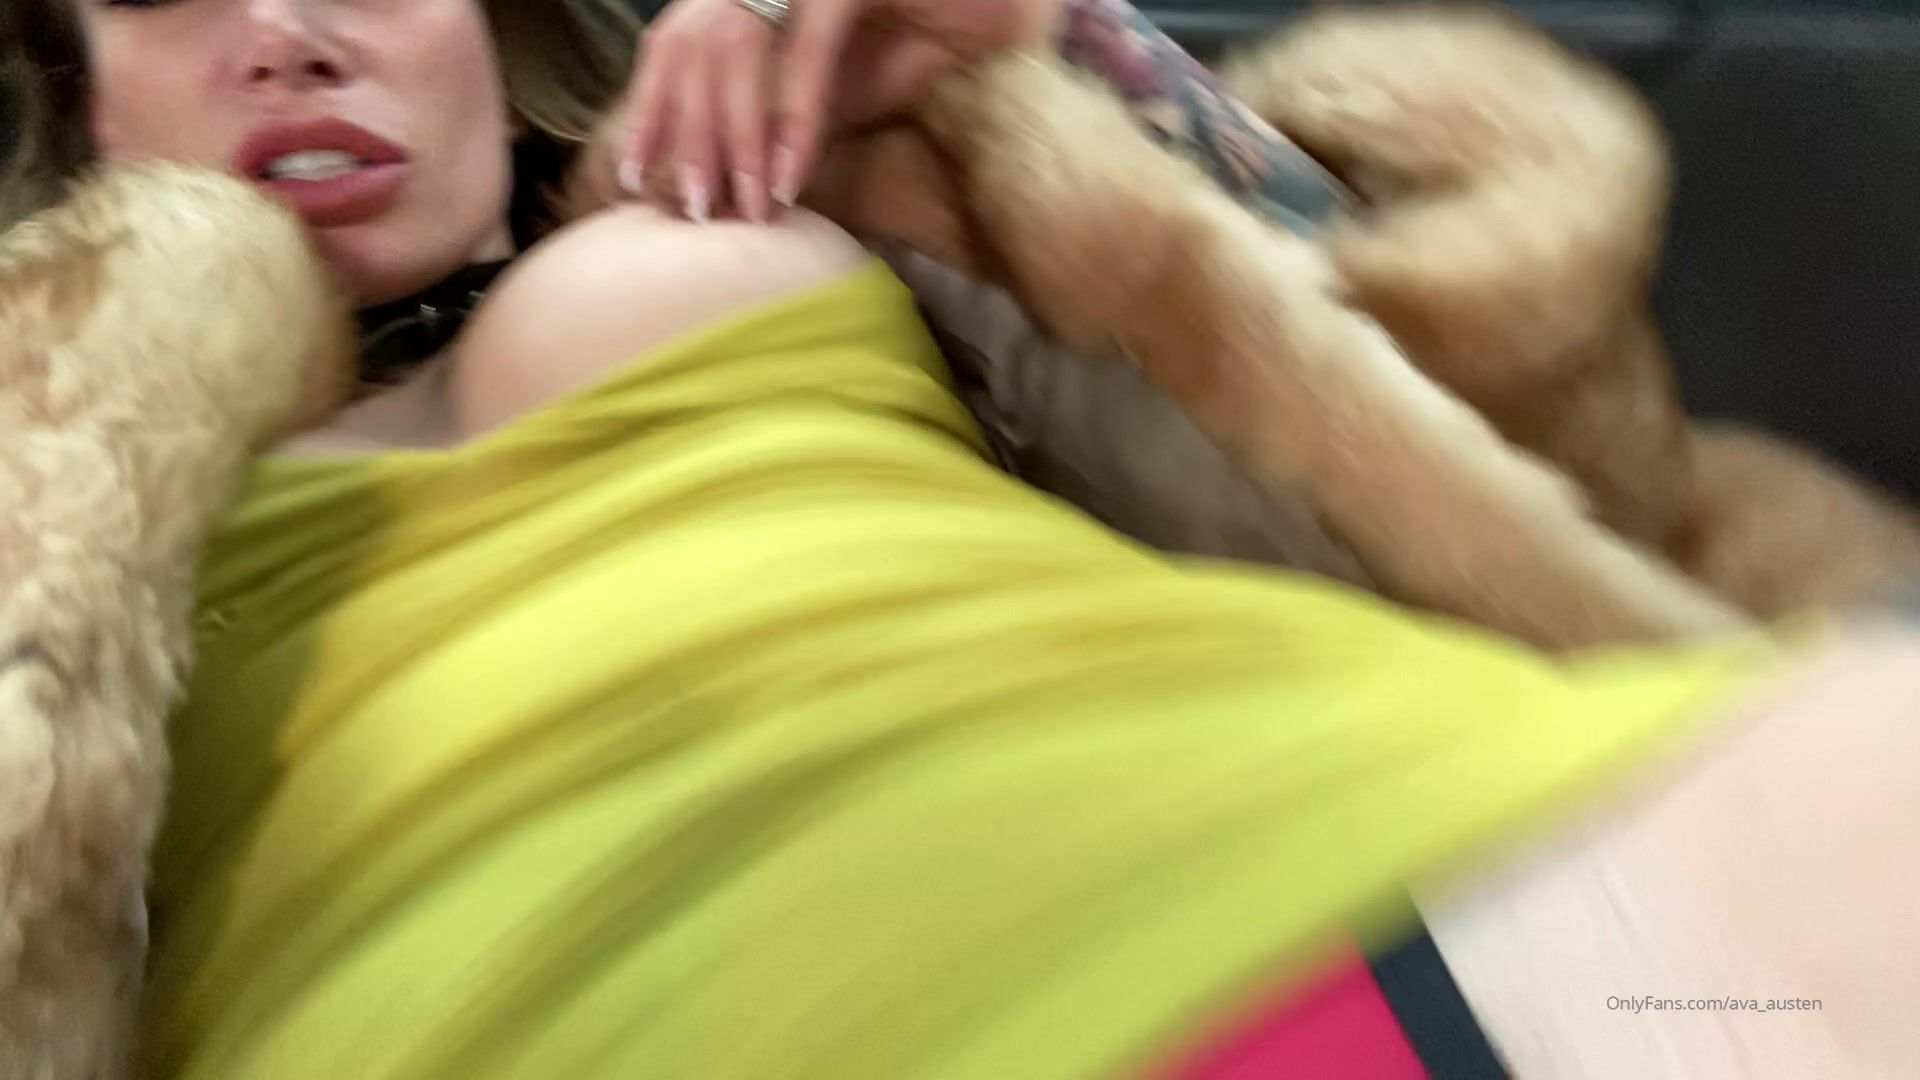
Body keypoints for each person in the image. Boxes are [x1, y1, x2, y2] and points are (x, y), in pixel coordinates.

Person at [3, 0, 1917, 1076]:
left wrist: (1024, 59)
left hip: (1426, 869)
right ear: (74, 94)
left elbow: (1397, 402)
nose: (286, 32)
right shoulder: (42, 452)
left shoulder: (772, 170)